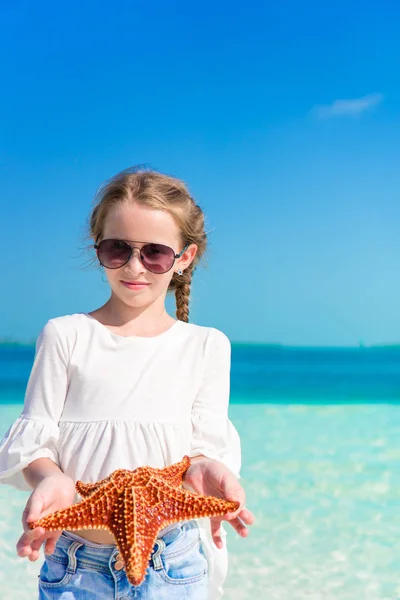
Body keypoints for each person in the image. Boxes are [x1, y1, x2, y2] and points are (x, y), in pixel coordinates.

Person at [0, 166, 254, 600]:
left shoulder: (207, 345)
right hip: (76, 564)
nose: (134, 266)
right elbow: (34, 441)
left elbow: (200, 452)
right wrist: (51, 479)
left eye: (154, 252)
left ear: (184, 258)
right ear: (98, 249)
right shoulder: (66, 335)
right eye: (118, 249)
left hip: (173, 561)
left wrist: (207, 468)